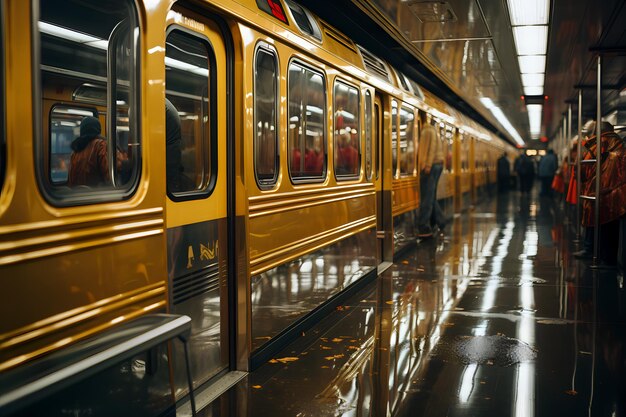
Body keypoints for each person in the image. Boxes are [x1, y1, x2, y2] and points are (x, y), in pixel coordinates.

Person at [574, 121, 626, 267]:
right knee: (610, 228)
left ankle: (604, 258)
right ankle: (605, 257)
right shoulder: (618, 143)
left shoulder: (600, 142)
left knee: (602, 224)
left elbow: (583, 169)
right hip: (617, 191)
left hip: (603, 190)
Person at [417, 113, 445, 238]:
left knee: (427, 197)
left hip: (432, 165)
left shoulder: (427, 130)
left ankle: (424, 227)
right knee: (431, 196)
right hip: (437, 164)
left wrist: (426, 165)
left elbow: (431, 148)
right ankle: (440, 221)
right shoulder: (432, 129)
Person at [68, 116, 110, 187]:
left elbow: (70, 181)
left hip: (77, 195)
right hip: (97, 194)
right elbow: (108, 175)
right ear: (98, 130)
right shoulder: (100, 145)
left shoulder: (75, 152)